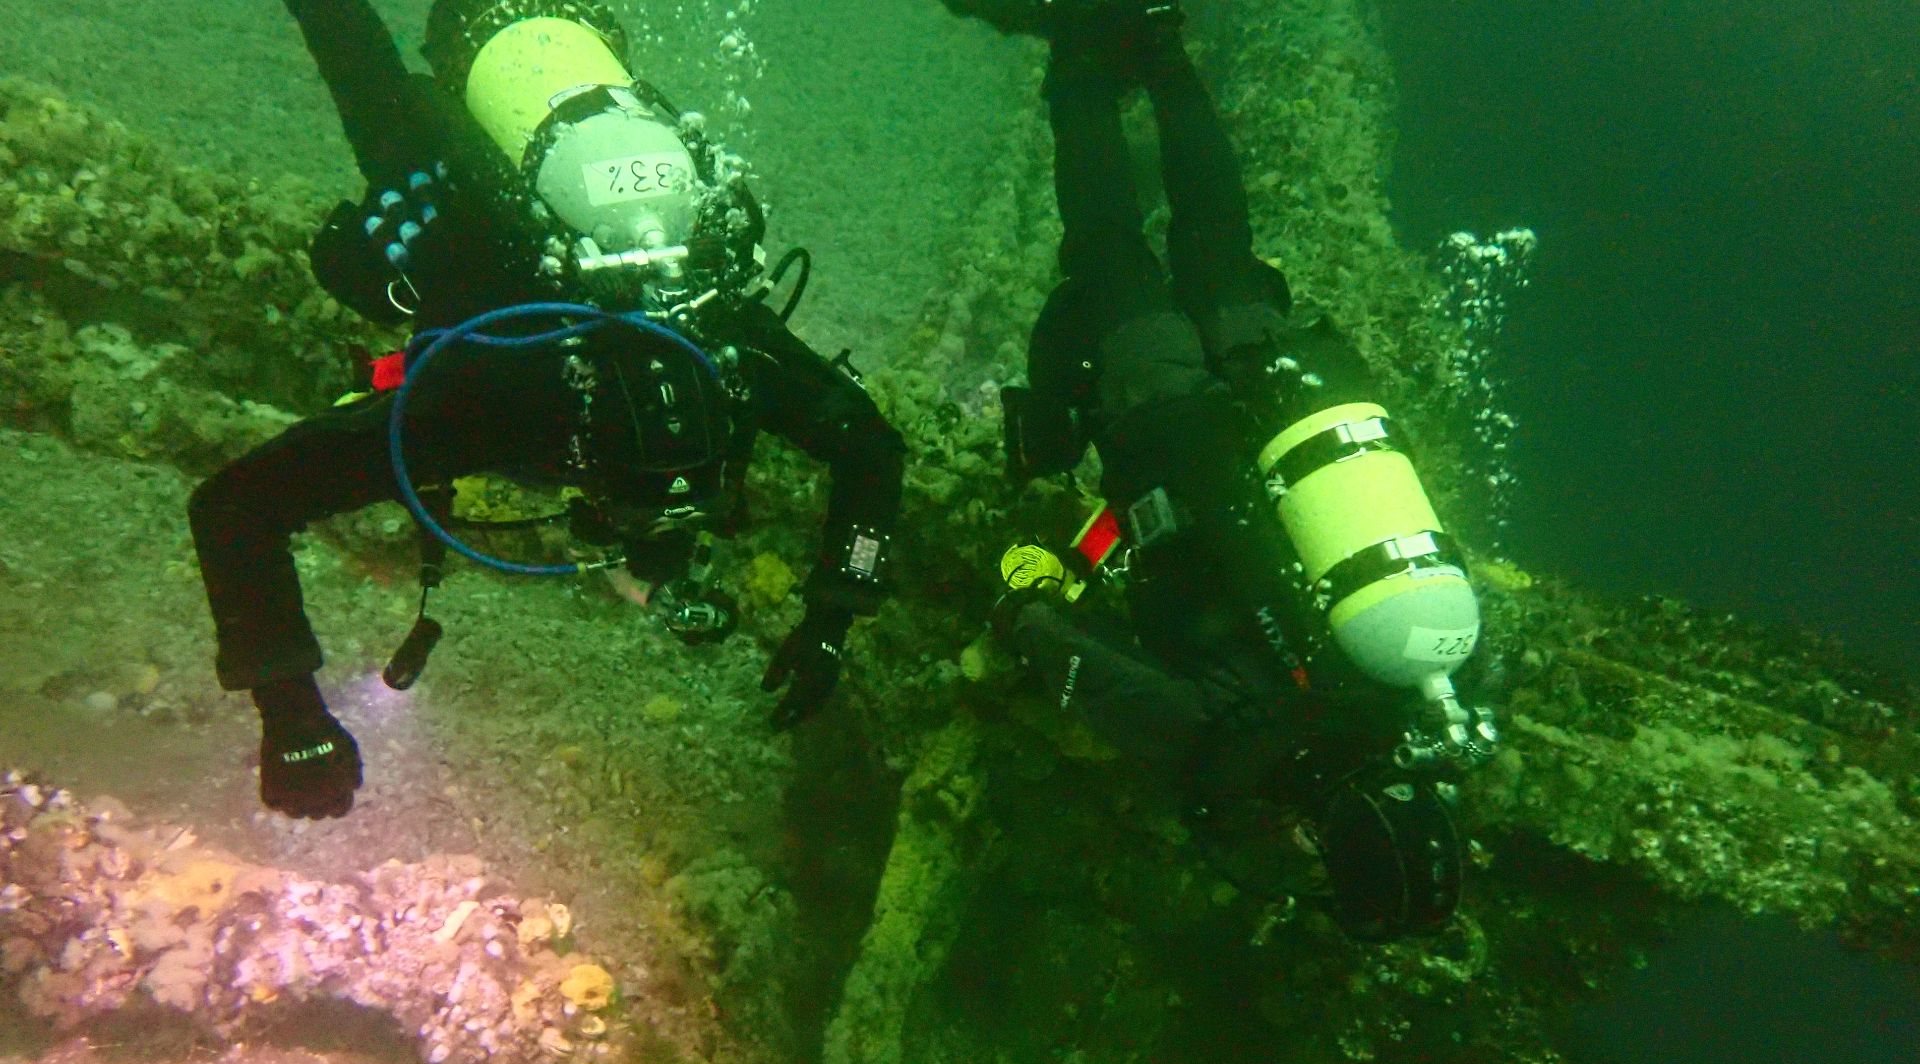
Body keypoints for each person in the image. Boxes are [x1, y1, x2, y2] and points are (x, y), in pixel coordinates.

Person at [188, 0, 905, 821]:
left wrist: (833, 618)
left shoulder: (719, 339)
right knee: (369, 89)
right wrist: (290, 719)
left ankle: (538, 35)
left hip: (537, 138)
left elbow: (873, 452)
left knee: (363, 69)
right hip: (460, 199)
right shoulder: (503, 404)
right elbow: (233, 506)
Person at [981, 0, 1499, 941]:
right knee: (1105, 243)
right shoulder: (1229, 760)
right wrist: (1021, 608)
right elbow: (1072, 657)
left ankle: (1162, 46)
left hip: (1280, 392)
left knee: (1217, 233)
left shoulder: (1435, 700)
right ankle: (1077, 49)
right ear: (1327, 850)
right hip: (1168, 420)